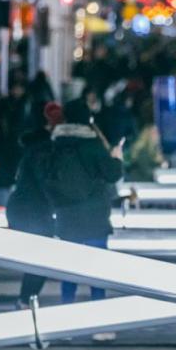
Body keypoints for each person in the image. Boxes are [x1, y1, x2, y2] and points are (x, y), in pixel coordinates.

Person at [45, 99, 123, 303]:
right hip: (94, 214)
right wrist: (116, 158)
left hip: (66, 215)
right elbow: (113, 174)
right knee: (97, 269)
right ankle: (97, 321)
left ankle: (67, 316)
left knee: (69, 269)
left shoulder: (55, 143)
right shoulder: (93, 144)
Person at [7, 102, 64, 309]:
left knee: (38, 258)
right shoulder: (43, 151)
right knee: (40, 258)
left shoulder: (34, 149)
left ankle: (26, 298)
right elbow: (44, 185)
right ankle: (26, 299)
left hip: (27, 209)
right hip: (32, 211)